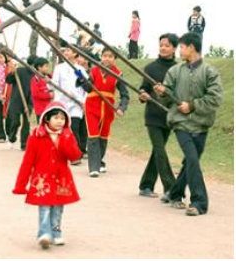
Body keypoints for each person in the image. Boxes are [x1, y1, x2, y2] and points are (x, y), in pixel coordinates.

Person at [154, 32, 223, 216]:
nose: (180, 50)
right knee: (192, 159)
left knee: (190, 163)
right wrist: (162, 92)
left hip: (201, 125)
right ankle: (199, 202)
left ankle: (175, 193)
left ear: (191, 47)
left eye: (182, 47)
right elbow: (168, 99)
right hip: (180, 123)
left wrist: (192, 106)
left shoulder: (210, 72)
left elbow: (215, 98)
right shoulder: (175, 71)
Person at [12, 102, 81, 249]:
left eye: (62, 118)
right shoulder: (36, 137)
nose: (59, 121)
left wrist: (67, 139)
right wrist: (20, 185)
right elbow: (27, 162)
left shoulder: (67, 135)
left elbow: (75, 156)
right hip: (42, 179)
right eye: (56, 117)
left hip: (62, 178)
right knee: (44, 207)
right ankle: (44, 233)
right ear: (47, 119)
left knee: (58, 208)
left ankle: (56, 232)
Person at [138, 33, 179, 199]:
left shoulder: (178, 69)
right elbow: (143, 88)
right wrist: (143, 94)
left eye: (167, 45)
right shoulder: (150, 68)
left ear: (174, 48)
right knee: (160, 151)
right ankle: (171, 188)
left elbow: (179, 92)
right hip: (153, 116)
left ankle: (146, 185)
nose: (163, 48)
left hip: (169, 116)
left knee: (157, 151)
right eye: (161, 44)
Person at [83, 47, 129, 177]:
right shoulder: (93, 71)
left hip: (108, 109)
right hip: (92, 106)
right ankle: (94, 167)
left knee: (103, 137)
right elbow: (87, 88)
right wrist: (83, 79)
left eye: (110, 56)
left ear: (115, 59)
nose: (107, 58)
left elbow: (125, 95)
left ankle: (99, 162)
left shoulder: (118, 74)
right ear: (101, 57)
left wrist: (121, 108)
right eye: (104, 55)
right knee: (93, 135)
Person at [52, 47, 88, 164]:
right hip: (62, 102)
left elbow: (86, 86)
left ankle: (76, 154)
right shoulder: (58, 68)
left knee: (74, 128)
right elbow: (55, 85)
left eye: (68, 51)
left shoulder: (79, 70)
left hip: (77, 103)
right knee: (61, 129)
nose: (66, 53)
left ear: (75, 53)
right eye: (64, 51)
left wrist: (83, 101)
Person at [5, 57, 35, 150]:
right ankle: (12, 138)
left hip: (29, 101)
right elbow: (8, 81)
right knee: (15, 122)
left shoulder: (37, 74)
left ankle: (24, 144)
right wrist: (12, 73)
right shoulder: (19, 71)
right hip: (16, 100)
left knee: (26, 123)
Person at [30, 57, 53, 123]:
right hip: (41, 109)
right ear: (39, 67)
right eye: (46, 66)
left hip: (51, 107)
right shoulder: (35, 80)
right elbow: (36, 94)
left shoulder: (50, 77)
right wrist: (49, 95)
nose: (48, 68)